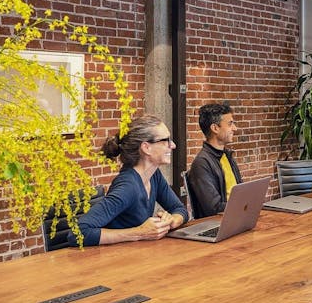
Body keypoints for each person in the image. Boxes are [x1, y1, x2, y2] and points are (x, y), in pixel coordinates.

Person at [75, 115, 188, 246]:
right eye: (165, 140)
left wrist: (172, 220)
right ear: (146, 148)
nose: (173, 145)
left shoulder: (154, 175)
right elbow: (78, 232)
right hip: (113, 260)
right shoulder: (128, 187)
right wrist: (139, 233)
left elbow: (179, 208)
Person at [187, 103, 242, 219]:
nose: (235, 128)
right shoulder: (201, 163)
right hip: (218, 224)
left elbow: (240, 192)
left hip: (235, 218)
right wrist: (244, 206)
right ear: (215, 128)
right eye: (230, 124)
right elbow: (213, 208)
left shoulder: (227, 156)